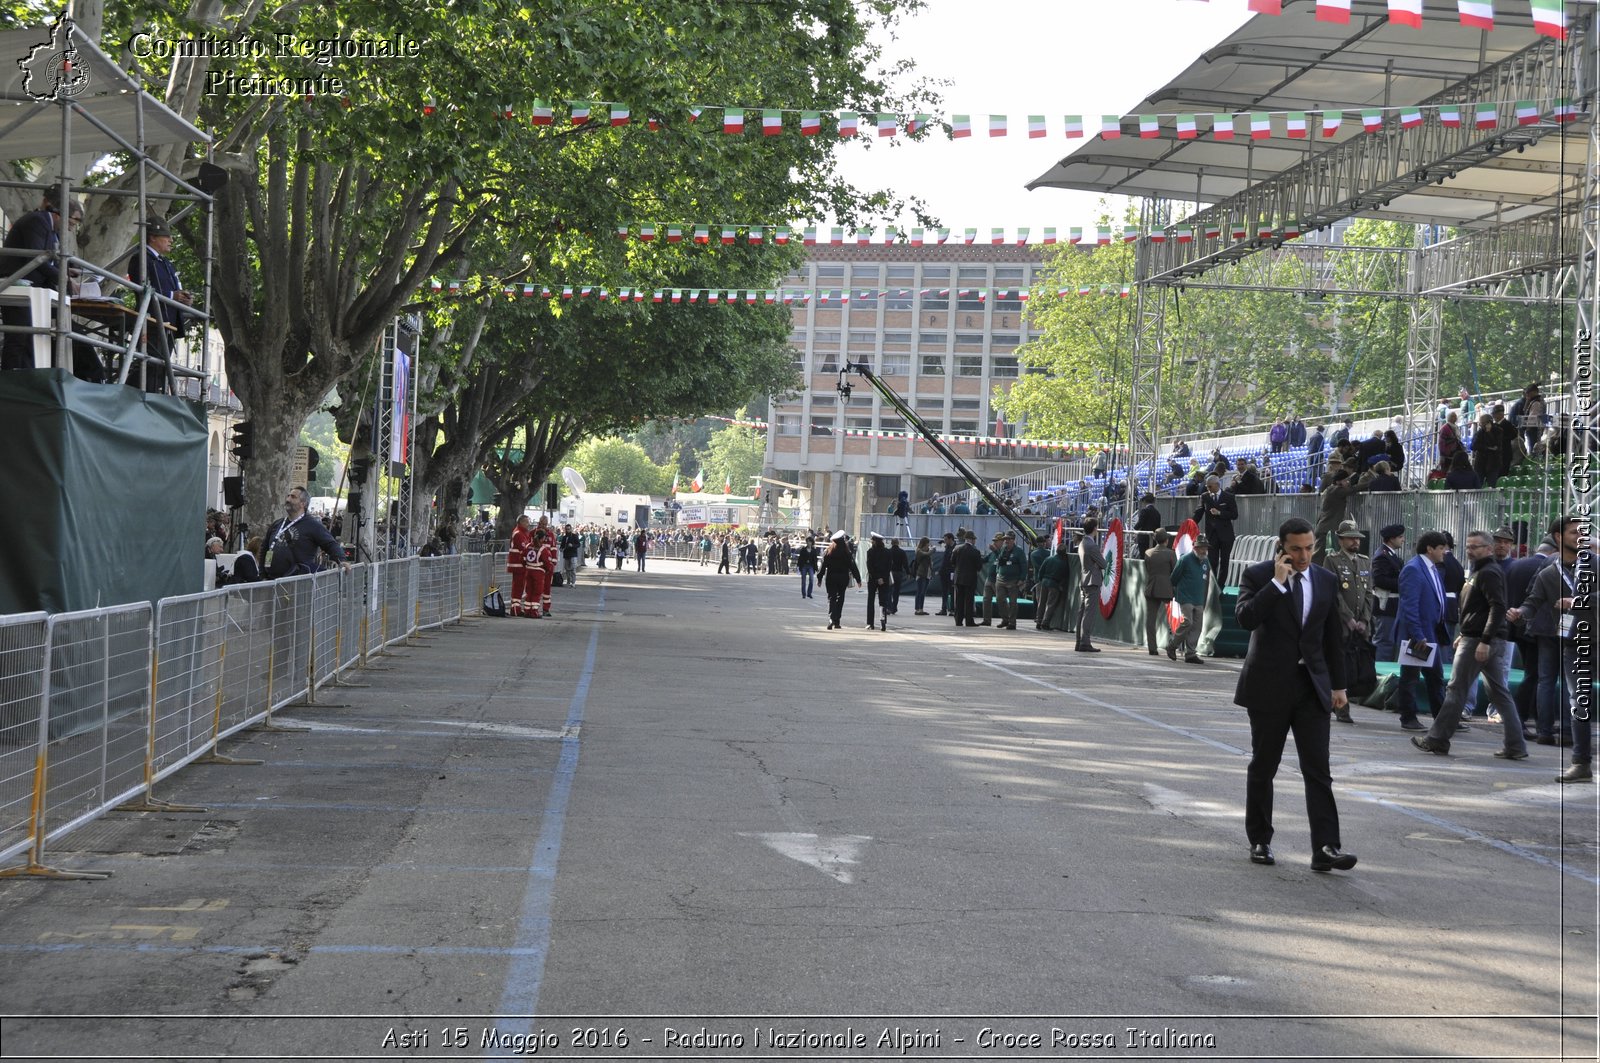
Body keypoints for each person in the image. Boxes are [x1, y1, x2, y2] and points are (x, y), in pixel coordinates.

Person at [1234, 516, 1356, 873]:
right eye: (1295, 549)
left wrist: (1339, 685)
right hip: (1269, 687)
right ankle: (1260, 839)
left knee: (1318, 769)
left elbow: (1332, 636)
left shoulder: (1326, 580)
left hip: (1311, 687)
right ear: (1281, 547)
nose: (1303, 556)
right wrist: (1276, 582)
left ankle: (1326, 847)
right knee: (1264, 765)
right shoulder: (1258, 575)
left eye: (1309, 548)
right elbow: (1246, 618)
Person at [1411, 530, 1527, 760]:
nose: (1470, 550)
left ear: (1489, 549)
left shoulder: (1489, 572)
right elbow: (1479, 608)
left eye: (1476, 547)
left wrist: (1483, 640)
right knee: (1499, 692)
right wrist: (1464, 633)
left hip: (1481, 640)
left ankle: (1437, 739)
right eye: (1468, 546)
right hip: (1478, 637)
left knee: (1456, 689)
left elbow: (1497, 608)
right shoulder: (1481, 571)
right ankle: (1516, 745)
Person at [1511, 516, 1594, 780]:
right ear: (1558, 537)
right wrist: (1519, 612)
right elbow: (1533, 601)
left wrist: (1578, 600)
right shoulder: (1548, 573)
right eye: (1573, 532)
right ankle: (1581, 762)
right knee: (1577, 699)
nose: (1580, 537)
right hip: (1572, 643)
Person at [1, 191, 83, 371]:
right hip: (17, 285)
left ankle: (28, 377)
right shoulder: (37, 221)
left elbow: (47, 260)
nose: (70, 228)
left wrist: (66, 272)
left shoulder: (53, 229)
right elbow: (37, 258)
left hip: (37, 291)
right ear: (57, 214)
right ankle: (11, 380)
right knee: (19, 337)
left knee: (33, 337)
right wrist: (65, 280)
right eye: (70, 223)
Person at [128, 217, 195, 391]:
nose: (171, 240)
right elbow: (141, 290)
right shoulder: (140, 259)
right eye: (166, 236)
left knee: (159, 369)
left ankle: (151, 400)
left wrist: (184, 298)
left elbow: (176, 290)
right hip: (152, 322)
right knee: (148, 366)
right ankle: (133, 395)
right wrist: (173, 295)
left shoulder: (166, 264)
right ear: (153, 237)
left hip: (168, 325)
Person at [1395, 531, 1451, 731]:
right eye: (1442, 548)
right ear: (1430, 549)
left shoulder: (1432, 568)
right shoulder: (1414, 569)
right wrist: (1418, 634)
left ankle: (1442, 718)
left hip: (1430, 632)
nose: (1445, 552)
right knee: (1411, 676)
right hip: (1418, 635)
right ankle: (1408, 717)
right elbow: (1409, 606)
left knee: (1434, 676)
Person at [1322, 520, 1372, 724]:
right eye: (1351, 538)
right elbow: (1333, 593)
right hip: (1341, 623)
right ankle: (1341, 707)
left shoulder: (1364, 561)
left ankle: (1347, 698)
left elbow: (1369, 593)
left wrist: (1365, 620)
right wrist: (1348, 618)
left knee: (1356, 665)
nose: (1355, 541)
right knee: (1338, 664)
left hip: (1361, 623)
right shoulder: (1332, 560)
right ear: (1340, 539)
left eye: (1357, 538)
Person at [262, 487, 349, 579]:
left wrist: (342, 560)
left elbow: (330, 544)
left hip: (297, 582)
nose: (288, 499)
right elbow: (264, 548)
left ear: (303, 504)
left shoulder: (312, 525)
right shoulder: (277, 524)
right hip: (271, 581)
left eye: (293, 497)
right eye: (288, 496)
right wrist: (262, 575)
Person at [1312, 466, 1374, 564]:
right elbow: (1353, 489)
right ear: (1338, 482)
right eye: (1346, 480)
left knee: (1326, 557)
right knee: (1318, 557)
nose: (1348, 482)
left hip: (1327, 528)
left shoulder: (1331, 489)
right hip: (1326, 529)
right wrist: (1370, 483)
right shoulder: (1335, 490)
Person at [1371, 524, 1406, 664]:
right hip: (1386, 606)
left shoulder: (1390, 554)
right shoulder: (1382, 556)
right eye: (1400, 537)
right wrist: (1403, 583)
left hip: (1393, 606)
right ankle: (1380, 673)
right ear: (1391, 539)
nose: (1403, 540)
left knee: (1390, 642)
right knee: (1384, 642)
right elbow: (1379, 580)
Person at [1171, 538, 1209, 663]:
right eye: (1202, 547)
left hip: (1198, 598)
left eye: (1206, 548)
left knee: (1197, 626)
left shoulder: (1205, 562)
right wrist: (1176, 591)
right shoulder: (1185, 560)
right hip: (1185, 596)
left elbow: (1206, 581)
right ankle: (1173, 645)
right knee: (1188, 622)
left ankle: (1191, 653)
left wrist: (1204, 598)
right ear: (1195, 548)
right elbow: (1174, 577)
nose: (1204, 550)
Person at [1194, 476, 1238, 583]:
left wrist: (1220, 513)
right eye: (1206, 486)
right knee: (1212, 561)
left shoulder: (1229, 497)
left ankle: (1220, 587)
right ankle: (1211, 586)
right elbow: (1199, 513)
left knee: (1224, 562)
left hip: (1226, 535)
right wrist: (1191, 522)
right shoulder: (1205, 497)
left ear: (1217, 485)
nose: (1208, 488)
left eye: (1210, 486)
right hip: (1211, 535)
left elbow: (1234, 515)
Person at [818, 530, 861, 630]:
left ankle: (831, 618)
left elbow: (823, 566)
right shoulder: (847, 553)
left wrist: (819, 578)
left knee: (831, 598)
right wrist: (858, 579)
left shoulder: (828, 552)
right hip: (843, 578)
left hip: (831, 578)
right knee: (840, 598)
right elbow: (853, 566)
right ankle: (837, 621)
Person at [1143, 529, 1176, 657]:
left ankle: (1152, 647)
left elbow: (1147, 569)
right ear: (1166, 540)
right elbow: (1175, 571)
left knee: (1150, 619)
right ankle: (1172, 644)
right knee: (1174, 618)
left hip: (1151, 587)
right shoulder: (1170, 554)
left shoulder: (1148, 553)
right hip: (1167, 589)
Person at [1076, 518, 1106, 652]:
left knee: (1082, 612)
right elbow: (1103, 563)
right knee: (1089, 613)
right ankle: (1085, 641)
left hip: (1084, 579)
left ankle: (1079, 641)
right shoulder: (1092, 545)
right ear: (1094, 528)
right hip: (1092, 580)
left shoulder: (1083, 543)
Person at [991, 531, 1027, 630]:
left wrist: (1022, 579)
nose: (1006, 541)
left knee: (1012, 602)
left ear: (1013, 540)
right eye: (1005, 539)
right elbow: (999, 561)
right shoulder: (1003, 549)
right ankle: (1005, 619)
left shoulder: (1019, 551)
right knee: (1000, 599)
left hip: (1013, 580)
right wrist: (998, 571)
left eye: (1008, 539)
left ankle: (1012, 622)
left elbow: (1024, 565)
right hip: (1001, 578)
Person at [1036, 540, 1072, 631]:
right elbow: (1065, 576)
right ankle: (1045, 622)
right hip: (1054, 584)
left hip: (1044, 581)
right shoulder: (1064, 563)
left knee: (1041, 602)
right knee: (1050, 604)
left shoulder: (1048, 559)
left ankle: (1038, 621)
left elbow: (1041, 571)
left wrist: (1041, 580)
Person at [950, 531, 984, 628]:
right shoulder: (975, 552)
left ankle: (958, 620)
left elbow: (952, 562)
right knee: (969, 601)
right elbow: (979, 567)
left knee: (959, 600)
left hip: (959, 578)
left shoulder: (957, 549)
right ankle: (969, 621)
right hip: (970, 579)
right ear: (972, 540)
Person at [864, 532, 893, 631]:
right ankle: (882, 620)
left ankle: (870, 623)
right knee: (883, 600)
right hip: (884, 579)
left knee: (871, 600)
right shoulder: (887, 552)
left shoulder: (870, 552)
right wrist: (882, 578)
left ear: (874, 541)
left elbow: (870, 567)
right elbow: (889, 567)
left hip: (873, 579)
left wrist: (877, 578)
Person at [507, 515, 534, 616]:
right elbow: (524, 549)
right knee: (517, 587)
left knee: (519, 587)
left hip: (520, 564)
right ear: (521, 522)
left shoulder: (522, 533)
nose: (528, 524)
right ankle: (515, 608)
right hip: (517, 564)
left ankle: (516, 607)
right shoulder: (519, 534)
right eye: (527, 522)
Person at [1132, 493, 1161, 558]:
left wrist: (1133, 529)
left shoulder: (1144, 511)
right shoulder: (1157, 513)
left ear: (1145, 501)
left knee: (1143, 557)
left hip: (1144, 538)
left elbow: (1140, 523)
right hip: (1153, 538)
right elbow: (1158, 526)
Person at [911, 536, 933, 615]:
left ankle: (921, 608)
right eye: (927, 544)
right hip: (921, 574)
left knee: (923, 592)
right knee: (920, 591)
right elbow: (925, 554)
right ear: (924, 543)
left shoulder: (927, 551)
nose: (928, 545)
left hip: (927, 574)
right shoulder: (919, 551)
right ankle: (917, 608)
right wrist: (931, 551)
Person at [887, 537, 908, 615]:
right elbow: (905, 564)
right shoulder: (902, 552)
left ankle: (889, 607)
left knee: (889, 591)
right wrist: (908, 573)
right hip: (899, 573)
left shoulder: (888, 552)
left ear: (891, 543)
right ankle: (894, 607)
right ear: (898, 543)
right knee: (896, 591)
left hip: (890, 573)